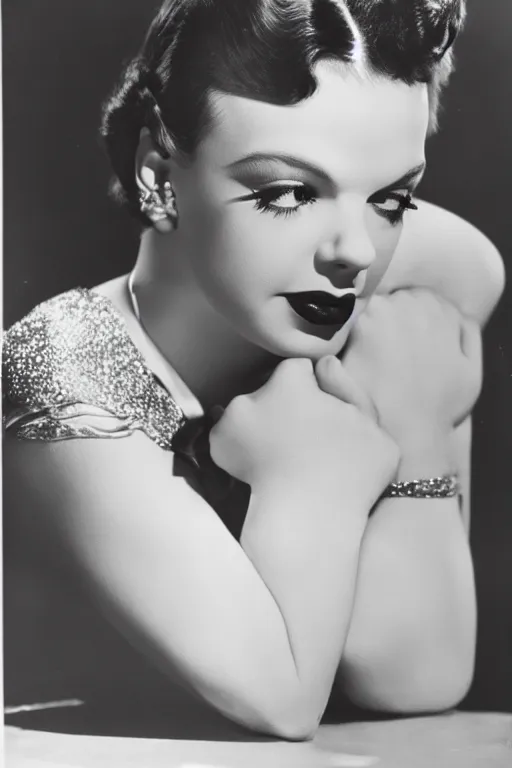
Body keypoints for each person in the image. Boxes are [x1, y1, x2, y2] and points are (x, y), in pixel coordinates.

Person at [2, 0, 504, 742]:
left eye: (391, 199)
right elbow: (281, 697)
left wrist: (418, 436)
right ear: (156, 172)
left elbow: (416, 678)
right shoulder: (61, 375)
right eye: (288, 193)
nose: (356, 252)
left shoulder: (426, 276)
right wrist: (314, 472)